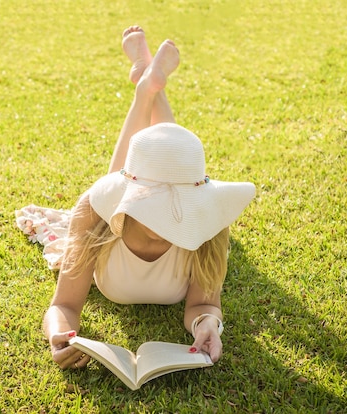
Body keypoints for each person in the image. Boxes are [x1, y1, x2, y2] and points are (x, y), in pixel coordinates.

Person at [42, 26, 256, 370]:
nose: (169, 220)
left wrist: (208, 326)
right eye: (154, 209)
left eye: (179, 209)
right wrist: (60, 336)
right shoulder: (96, 214)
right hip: (114, 207)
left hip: (134, 187)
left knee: (163, 156)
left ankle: (147, 84)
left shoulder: (207, 227)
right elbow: (63, 306)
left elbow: (203, 305)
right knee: (128, 168)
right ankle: (147, 88)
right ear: (131, 199)